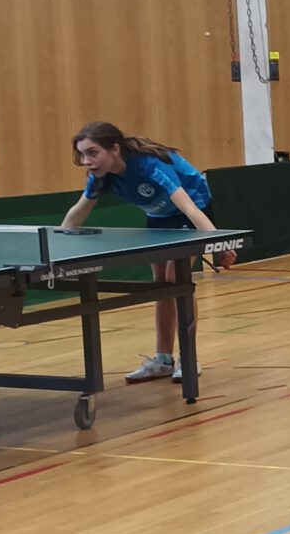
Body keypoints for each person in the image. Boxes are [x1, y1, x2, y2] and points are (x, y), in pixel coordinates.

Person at [64, 121, 236, 382]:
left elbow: (188, 208)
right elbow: (78, 213)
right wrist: (57, 239)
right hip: (158, 216)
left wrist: (221, 243)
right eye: (82, 154)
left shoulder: (148, 165)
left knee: (176, 278)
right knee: (161, 283)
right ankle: (163, 360)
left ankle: (188, 358)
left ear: (114, 149)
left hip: (192, 208)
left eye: (92, 152)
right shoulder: (99, 178)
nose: (86, 161)